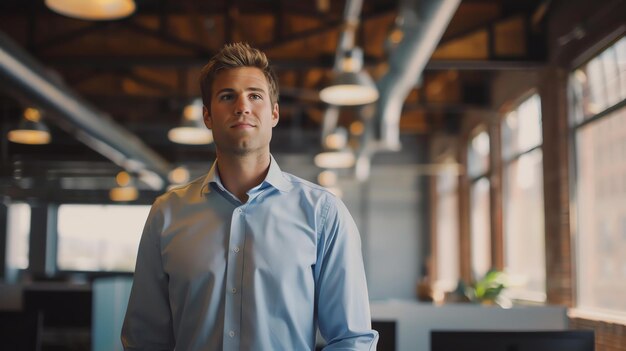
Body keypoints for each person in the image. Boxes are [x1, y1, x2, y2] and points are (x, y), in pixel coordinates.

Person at [121, 42, 378, 350]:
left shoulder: (323, 214)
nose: (242, 106)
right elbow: (144, 341)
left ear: (274, 113)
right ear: (207, 116)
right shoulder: (167, 214)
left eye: (255, 96)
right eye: (227, 96)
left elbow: (351, 340)